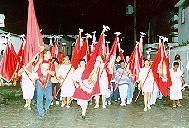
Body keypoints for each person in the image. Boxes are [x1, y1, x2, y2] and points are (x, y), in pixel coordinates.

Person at [34, 49, 55, 117]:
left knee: (50, 98)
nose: (50, 55)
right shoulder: (39, 62)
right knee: (39, 98)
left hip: (48, 82)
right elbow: (34, 70)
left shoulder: (51, 64)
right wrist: (39, 62)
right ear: (45, 54)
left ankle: (46, 107)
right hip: (40, 81)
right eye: (49, 54)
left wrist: (46, 70)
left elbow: (53, 73)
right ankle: (41, 112)